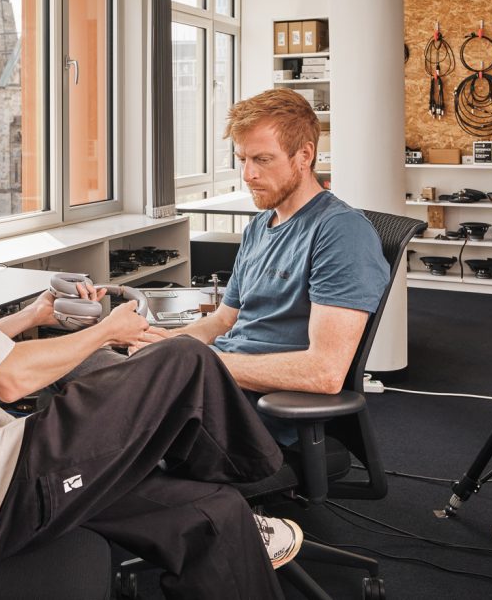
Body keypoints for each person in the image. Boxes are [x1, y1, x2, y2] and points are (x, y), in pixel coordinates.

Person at [0, 55, 301, 599]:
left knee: (214, 514)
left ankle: (231, 495)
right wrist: (106, 331)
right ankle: (268, 478)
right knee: (181, 361)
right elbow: (6, 381)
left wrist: (36, 316)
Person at [134, 88, 389, 445]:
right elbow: (223, 321)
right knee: (94, 372)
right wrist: (164, 345)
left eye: (262, 160)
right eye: (242, 159)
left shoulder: (341, 232)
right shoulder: (259, 226)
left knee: (102, 417)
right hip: (218, 386)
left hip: (255, 415)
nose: (247, 175)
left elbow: (326, 372)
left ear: (304, 155)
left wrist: (195, 364)